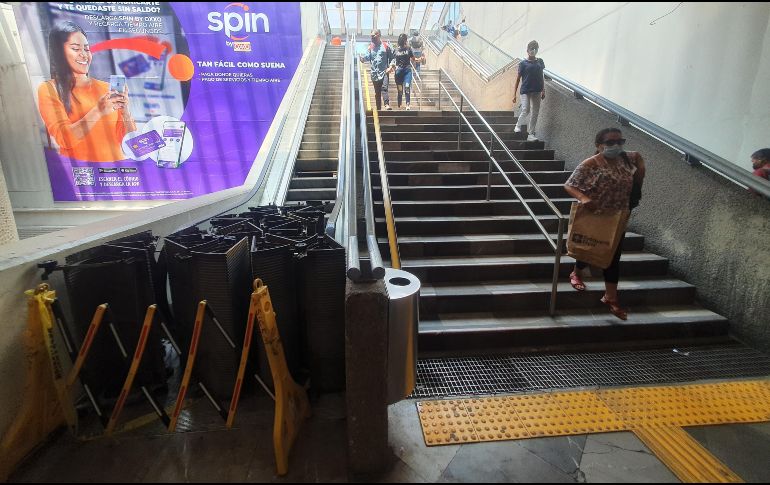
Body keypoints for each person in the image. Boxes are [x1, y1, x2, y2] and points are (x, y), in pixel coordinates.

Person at [563, 128, 646, 320]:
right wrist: (583, 198)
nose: (615, 146)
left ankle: (610, 296)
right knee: (590, 248)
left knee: (612, 255)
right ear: (599, 145)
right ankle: (576, 273)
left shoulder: (629, 158)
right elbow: (569, 185)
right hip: (595, 214)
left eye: (619, 141)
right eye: (610, 143)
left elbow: (639, 164)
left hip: (618, 216)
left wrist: (640, 174)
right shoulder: (591, 164)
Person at [38, 21, 135, 162]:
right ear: (59, 52)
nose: (84, 55)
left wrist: (126, 111)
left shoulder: (105, 88)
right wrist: (98, 111)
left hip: (117, 172)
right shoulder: (48, 89)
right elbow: (64, 139)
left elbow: (130, 143)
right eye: (76, 49)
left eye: (87, 49)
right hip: (80, 175)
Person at [513, 40, 545, 142]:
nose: (534, 50)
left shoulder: (540, 61)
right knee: (526, 109)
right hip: (526, 90)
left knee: (535, 112)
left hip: (537, 90)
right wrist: (514, 94)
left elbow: (541, 76)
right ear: (527, 50)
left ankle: (531, 134)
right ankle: (518, 125)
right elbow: (518, 79)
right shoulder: (523, 63)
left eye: (535, 48)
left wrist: (543, 90)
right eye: (532, 48)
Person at [359, 29, 394, 111]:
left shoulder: (385, 46)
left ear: (378, 35)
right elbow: (367, 57)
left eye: (373, 36)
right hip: (374, 74)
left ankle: (386, 105)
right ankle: (378, 109)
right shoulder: (370, 47)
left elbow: (392, 57)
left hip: (384, 71)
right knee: (377, 92)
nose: (372, 37)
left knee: (384, 88)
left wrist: (391, 66)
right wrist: (362, 59)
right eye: (371, 36)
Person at [392, 34, 423, 111]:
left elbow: (413, 59)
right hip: (398, 72)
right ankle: (399, 103)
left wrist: (420, 59)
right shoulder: (395, 50)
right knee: (400, 90)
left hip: (407, 71)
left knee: (407, 87)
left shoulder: (408, 49)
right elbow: (392, 60)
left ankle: (407, 104)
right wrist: (392, 66)